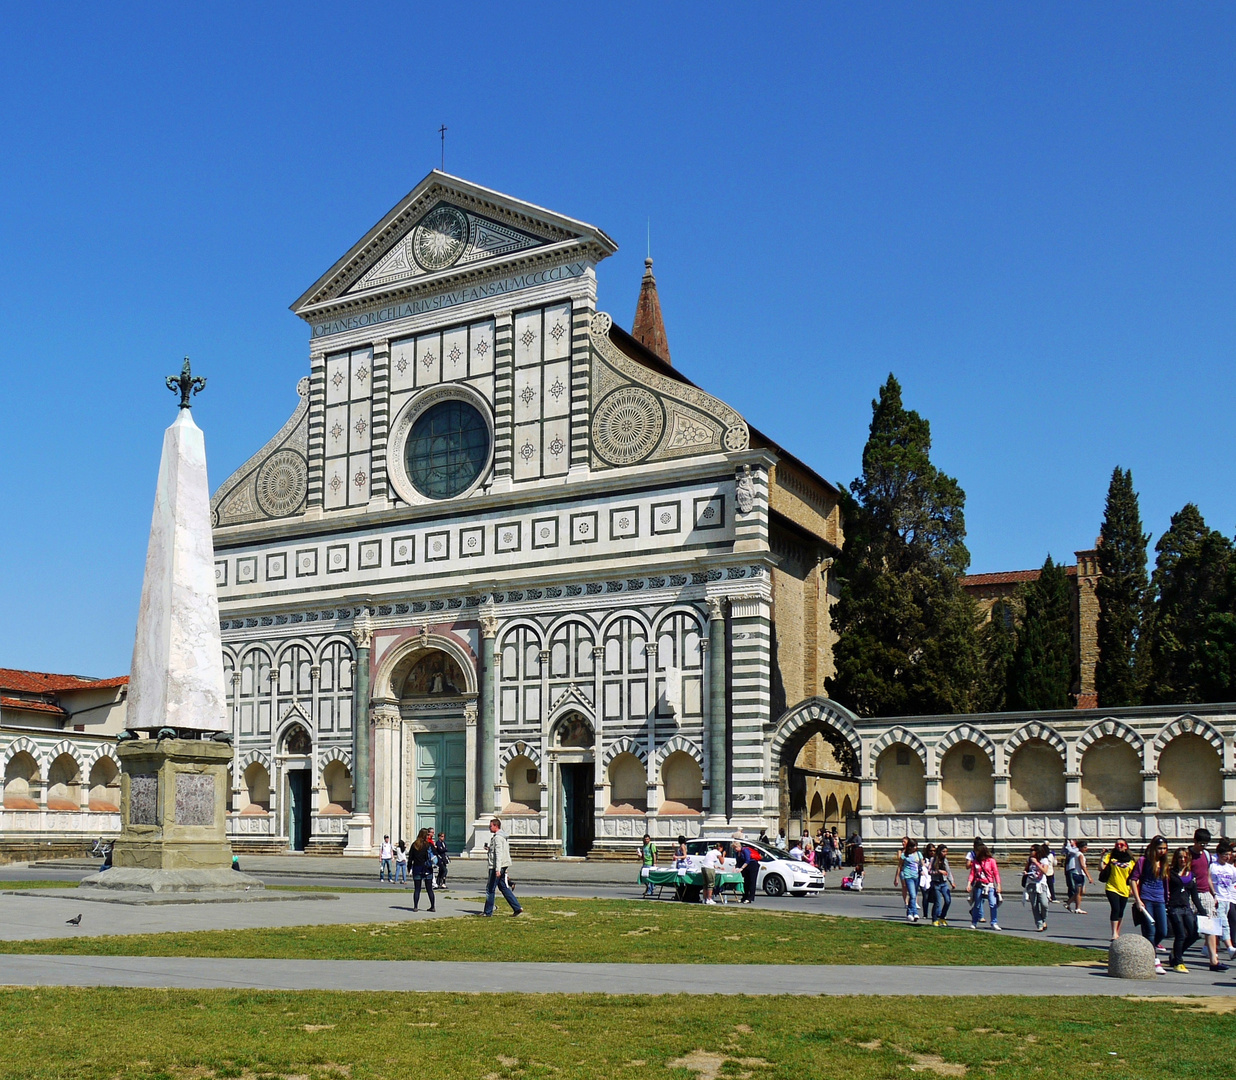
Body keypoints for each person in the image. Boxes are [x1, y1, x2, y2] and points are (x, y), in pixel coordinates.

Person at [1189, 828, 1228, 972]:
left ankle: (1214, 961)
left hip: (1206, 893)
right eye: (1201, 844)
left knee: (1211, 927)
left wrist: (1213, 893)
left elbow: (1208, 876)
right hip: (1191, 895)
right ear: (1195, 841)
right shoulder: (1187, 855)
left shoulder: (1206, 855)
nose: (1203, 847)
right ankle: (1176, 954)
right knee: (1190, 931)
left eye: (1206, 844)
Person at [1129, 835, 1169, 969]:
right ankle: (1154, 958)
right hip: (1147, 898)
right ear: (1153, 848)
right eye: (1159, 848)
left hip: (1160, 899)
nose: (1162, 851)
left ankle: (1147, 949)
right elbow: (1133, 879)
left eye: (1164, 848)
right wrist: (1138, 900)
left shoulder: (1164, 863)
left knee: (1163, 931)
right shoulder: (1143, 861)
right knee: (1150, 930)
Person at [1167, 846, 1205, 972]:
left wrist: (1202, 911)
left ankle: (1176, 953)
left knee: (1194, 934)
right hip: (1174, 907)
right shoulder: (1170, 873)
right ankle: (1178, 962)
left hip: (1186, 908)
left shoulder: (1191, 875)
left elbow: (1194, 896)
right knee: (1180, 935)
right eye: (1180, 857)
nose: (1182, 860)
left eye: (1184, 857)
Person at [483, 817, 522, 917]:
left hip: (496, 866)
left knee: (490, 889)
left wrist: (497, 869)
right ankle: (517, 907)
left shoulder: (497, 838)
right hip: (503, 865)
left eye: (490, 826)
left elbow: (499, 854)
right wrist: (489, 849)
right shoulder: (502, 837)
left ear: (496, 826)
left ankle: (487, 912)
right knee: (503, 887)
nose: (489, 827)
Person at [1098, 838, 1136, 939]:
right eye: (1117, 844)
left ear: (1126, 846)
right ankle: (1114, 932)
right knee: (1115, 908)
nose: (1119, 846)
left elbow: (1134, 877)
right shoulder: (1110, 857)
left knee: (1121, 911)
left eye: (1121, 844)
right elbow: (1101, 868)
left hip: (1124, 889)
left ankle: (1117, 932)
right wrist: (1102, 856)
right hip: (1112, 887)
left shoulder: (1131, 861)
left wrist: (1133, 888)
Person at [1210, 839, 1236, 961]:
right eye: (1225, 854)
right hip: (1218, 898)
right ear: (1219, 854)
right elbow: (1208, 880)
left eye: (1229, 854)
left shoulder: (1231, 869)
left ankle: (1208, 948)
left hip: (1228, 899)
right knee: (1224, 924)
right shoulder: (1213, 867)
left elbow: (1233, 883)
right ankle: (1230, 948)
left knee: (1217, 926)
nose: (1227, 857)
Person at [968, 839, 1002, 931]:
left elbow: (996, 873)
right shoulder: (975, 861)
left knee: (992, 904)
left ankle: (994, 922)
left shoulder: (991, 861)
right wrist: (969, 884)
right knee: (977, 904)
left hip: (989, 885)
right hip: (979, 884)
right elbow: (972, 873)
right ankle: (974, 922)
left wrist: (998, 885)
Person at [1022, 844, 1050, 932]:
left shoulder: (1044, 860)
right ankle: (1039, 924)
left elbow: (1045, 871)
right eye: (1030, 850)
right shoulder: (1029, 860)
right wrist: (1025, 872)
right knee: (1034, 905)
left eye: (1032, 850)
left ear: (1037, 851)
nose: (1031, 852)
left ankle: (1043, 919)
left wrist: (1036, 863)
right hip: (1031, 883)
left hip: (1041, 884)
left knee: (1044, 904)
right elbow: (1026, 869)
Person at [408, 828, 436, 912]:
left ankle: (416, 906)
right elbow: (435, 854)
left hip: (417, 868)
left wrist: (409, 868)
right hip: (427, 869)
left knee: (417, 889)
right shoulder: (428, 845)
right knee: (429, 889)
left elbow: (410, 858)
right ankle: (432, 906)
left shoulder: (414, 845)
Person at [897, 839, 923, 923]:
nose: (915, 847)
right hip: (908, 876)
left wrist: (923, 869)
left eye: (916, 846)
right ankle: (915, 913)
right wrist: (897, 877)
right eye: (913, 846)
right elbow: (900, 866)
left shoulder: (918, 854)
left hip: (917, 876)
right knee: (912, 894)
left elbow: (922, 864)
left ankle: (909, 913)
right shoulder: (904, 855)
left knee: (914, 895)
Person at [1064, 837, 1092, 914]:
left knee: (1080, 892)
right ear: (1081, 848)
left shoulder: (1077, 854)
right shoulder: (1080, 855)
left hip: (1078, 874)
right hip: (1078, 874)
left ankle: (1068, 903)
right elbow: (1083, 866)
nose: (1086, 849)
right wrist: (1089, 877)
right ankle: (1078, 908)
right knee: (1079, 892)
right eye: (1085, 847)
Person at [929, 844, 955, 926]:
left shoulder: (945, 860)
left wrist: (952, 882)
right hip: (936, 883)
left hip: (943, 883)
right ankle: (934, 919)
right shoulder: (933, 860)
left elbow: (948, 872)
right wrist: (939, 871)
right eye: (943, 851)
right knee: (937, 902)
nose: (945, 853)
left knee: (948, 900)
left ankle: (942, 917)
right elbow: (929, 871)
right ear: (939, 851)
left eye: (946, 852)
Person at [734, 838, 760, 904]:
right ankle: (744, 897)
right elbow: (738, 861)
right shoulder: (737, 853)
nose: (735, 849)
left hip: (752, 865)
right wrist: (736, 867)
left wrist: (742, 868)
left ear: (739, 846)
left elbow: (747, 860)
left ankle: (750, 898)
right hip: (745, 867)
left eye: (735, 848)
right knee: (746, 882)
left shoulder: (745, 850)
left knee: (752, 882)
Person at [639, 832, 658, 898]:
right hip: (645, 864)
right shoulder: (644, 846)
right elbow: (643, 856)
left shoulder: (651, 845)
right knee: (643, 877)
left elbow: (654, 854)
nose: (646, 840)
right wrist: (640, 856)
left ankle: (649, 890)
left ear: (649, 839)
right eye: (645, 839)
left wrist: (654, 863)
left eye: (647, 839)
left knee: (648, 878)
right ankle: (650, 888)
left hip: (650, 864)